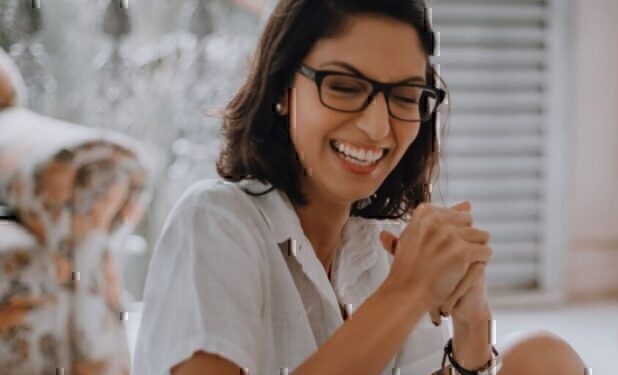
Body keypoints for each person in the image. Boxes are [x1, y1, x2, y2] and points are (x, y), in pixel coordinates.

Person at [132, 1, 587, 374]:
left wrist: (471, 325)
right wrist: (408, 292)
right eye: (345, 87)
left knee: (543, 356)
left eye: (406, 96)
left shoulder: (381, 245)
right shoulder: (215, 221)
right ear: (282, 88)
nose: (376, 127)